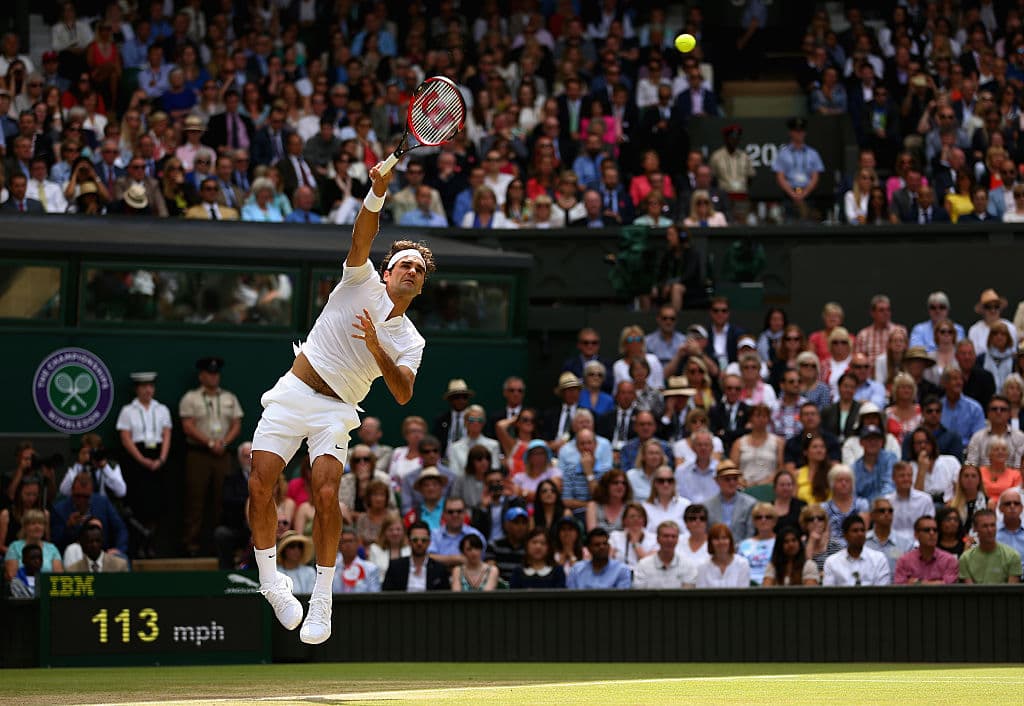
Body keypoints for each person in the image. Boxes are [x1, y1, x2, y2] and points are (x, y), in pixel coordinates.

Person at [249, 161, 433, 644]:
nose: (411, 271)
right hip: (294, 392)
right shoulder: (358, 280)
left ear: (421, 284)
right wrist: (377, 193)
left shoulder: (410, 341)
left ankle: (323, 601)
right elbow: (361, 235)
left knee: (327, 495)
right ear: (388, 271)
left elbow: (402, 392)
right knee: (260, 483)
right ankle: (272, 584)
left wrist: (377, 348)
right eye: (405, 264)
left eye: (419, 269)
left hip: (336, 411)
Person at [179, 357, 243, 557]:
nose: (213, 376)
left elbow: (236, 424)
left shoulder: (229, 398)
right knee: (195, 500)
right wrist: (209, 442)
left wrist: (223, 443)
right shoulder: (191, 398)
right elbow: (187, 425)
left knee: (222, 499)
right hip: (199, 454)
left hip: (223, 455)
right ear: (201, 375)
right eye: (209, 373)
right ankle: (191, 546)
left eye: (216, 373)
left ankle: (218, 546)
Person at [773, 117, 824, 222]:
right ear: (791, 133)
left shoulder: (812, 153)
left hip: (808, 196)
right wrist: (793, 194)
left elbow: (815, 177)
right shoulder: (783, 153)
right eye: (796, 131)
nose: (799, 134)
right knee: (789, 226)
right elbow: (780, 177)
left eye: (801, 131)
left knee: (809, 226)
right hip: (789, 196)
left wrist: (804, 193)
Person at [823, 514, 891, 586]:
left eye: (862, 530)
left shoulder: (879, 559)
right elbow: (829, 592)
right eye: (855, 531)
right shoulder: (832, 562)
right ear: (845, 535)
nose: (860, 534)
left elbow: (883, 592)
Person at [382, 522, 449, 592]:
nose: (419, 543)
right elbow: (386, 596)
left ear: (429, 542)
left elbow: (445, 598)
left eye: (424, 540)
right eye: (415, 540)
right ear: (409, 541)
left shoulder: (439, 569)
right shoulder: (395, 567)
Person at [958, 510, 1022, 583]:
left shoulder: (1012, 556)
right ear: (975, 528)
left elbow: (1012, 591)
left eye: (992, 525)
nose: (990, 530)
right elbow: (970, 591)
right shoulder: (966, 559)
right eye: (985, 526)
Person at [729, 403, 783, 488]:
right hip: (744, 487)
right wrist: (741, 481)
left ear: (768, 419)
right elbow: (732, 469)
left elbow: (780, 469)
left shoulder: (778, 442)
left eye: (764, 416)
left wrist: (765, 482)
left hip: (769, 487)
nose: (761, 419)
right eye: (758, 416)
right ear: (750, 418)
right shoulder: (738, 443)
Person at [893, 516, 959, 585]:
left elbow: (949, 587)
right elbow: (899, 588)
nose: (932, 533)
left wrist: (917, 583)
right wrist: (938, 582)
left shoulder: (949, 560)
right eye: (927, 530)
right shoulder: (904, 561)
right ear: (916, 534)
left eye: (935, 530)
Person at [633, 521, 698, 589]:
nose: (670, 540)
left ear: (678, 540)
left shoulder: (688, 566)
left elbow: (688, 596)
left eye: (673, 536)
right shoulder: (643, 565)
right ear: (657, 539)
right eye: (665, 536)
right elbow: (640, 594)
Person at [965, 396, 1024, 468]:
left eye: (1003, 409)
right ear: (988, 413)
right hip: (983, 478)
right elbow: (971, 466)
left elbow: (1019, 468)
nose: (998, 412)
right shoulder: (977, 437)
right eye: (994, 409)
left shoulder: (1020, 437)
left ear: (1009, 414)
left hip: (1013, 478)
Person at [4, 509, 63, 580]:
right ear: (25, 527)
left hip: (45, 588)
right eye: (33, 523)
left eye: (41, 523)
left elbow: (58, 578)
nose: (37, 527)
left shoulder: (52, 549)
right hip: (22, 588)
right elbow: (11, 576)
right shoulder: (14, 547)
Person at [704, 462, 757, 540]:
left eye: (735, 479)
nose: (732, 483)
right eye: (727, 479)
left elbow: (750, 533)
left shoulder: (750, 504)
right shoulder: (707, 506)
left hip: (743, 549)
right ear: (717, 481)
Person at [566, 527, 632, 589]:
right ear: (589, 548)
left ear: (609, 546)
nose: (602, 547)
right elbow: (570, 598)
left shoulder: (621, 570)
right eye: (597, 545)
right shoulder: (576, 570)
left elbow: (623, 599)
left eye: (605, 544)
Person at [908, 428, 960, 505]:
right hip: (923, 509)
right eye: (919, 443)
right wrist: (921, 470)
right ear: (913, 446)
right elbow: (915, 500)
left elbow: (960, 492)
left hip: (948, 507)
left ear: (932, 443)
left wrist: (953, 503)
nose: (923, 446)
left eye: (926, 442)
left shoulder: (951, 461)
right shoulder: (909, 467)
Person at [886, 461, 935, 539]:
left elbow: (929, 527)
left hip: (919, 544)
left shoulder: (925, 500)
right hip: (893, 544)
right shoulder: (887, 501)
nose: (906, 479)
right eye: (902, 476)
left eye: (909, 475)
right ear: (893, 478)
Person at [696, 523, 750, 588]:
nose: (721, 542)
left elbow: (743, 594)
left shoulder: (742, 564)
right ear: (710, 542)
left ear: (730, 541)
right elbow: (701, 595)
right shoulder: (702, 566)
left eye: (724, 538)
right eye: (716, 539)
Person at [852, 425, 896, 503]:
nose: (873, 442)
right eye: (868, 439)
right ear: (861, 442)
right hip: (864, 509)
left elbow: (890, 486)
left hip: (887, 504)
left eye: (876, 439)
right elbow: (853, 494)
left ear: (882, 442)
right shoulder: (854, 468)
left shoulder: (890, 458)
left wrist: (877, 503)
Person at [738, 503, 777, 585]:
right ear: (754, 522)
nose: (763, 520)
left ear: (774, 521)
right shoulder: (744, 545)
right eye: (759, 517)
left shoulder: (780, 542)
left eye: (768, 517)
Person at [801, 503, 842, 575]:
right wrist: (811, 543)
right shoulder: (800, 544)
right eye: (810, 519)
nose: (815, 521)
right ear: (805, 524)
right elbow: (803, 571)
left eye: (820, 518)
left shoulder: (834, 545)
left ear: (825, 522)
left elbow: (839, 572)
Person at [996, 489, 1024, 577]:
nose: (1012, 506)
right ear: (1000, 509)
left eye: (1016, 503)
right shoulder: (992, 531)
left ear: (1022, 508)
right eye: (1008, 504)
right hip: (999, 582)